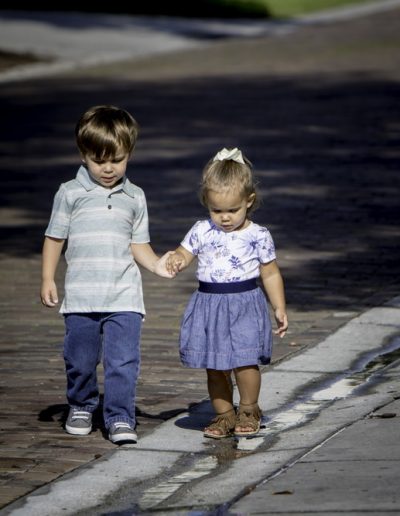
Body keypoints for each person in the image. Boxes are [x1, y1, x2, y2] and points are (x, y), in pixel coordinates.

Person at [40, 105, 173, 444]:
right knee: (80, 360)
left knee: (123, 362)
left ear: (128, 154)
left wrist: (157, 265)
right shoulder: (69, 193)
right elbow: (55, 238)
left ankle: (120, 417)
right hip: (82, 298)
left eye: (118, 159)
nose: (109, 168)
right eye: (100, 161)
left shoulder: (135, 196)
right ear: (84, 155)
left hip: (124, 297)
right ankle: (82, 404)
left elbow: (138, 244)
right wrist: (47, 278)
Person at [166, 147, 288, 439]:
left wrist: (279, 306)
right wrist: (178, 258)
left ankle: (248, 408)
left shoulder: (257, 234)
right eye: (216, 210)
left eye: (232, 210)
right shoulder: (201, 230)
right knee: (215, 366)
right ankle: (223, 414)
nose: (224, 217)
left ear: (249, 200)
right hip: (210, 304)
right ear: (206, 203)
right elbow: (185, 251)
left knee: (245, 361)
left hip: (245, 302)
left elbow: (270, 272)